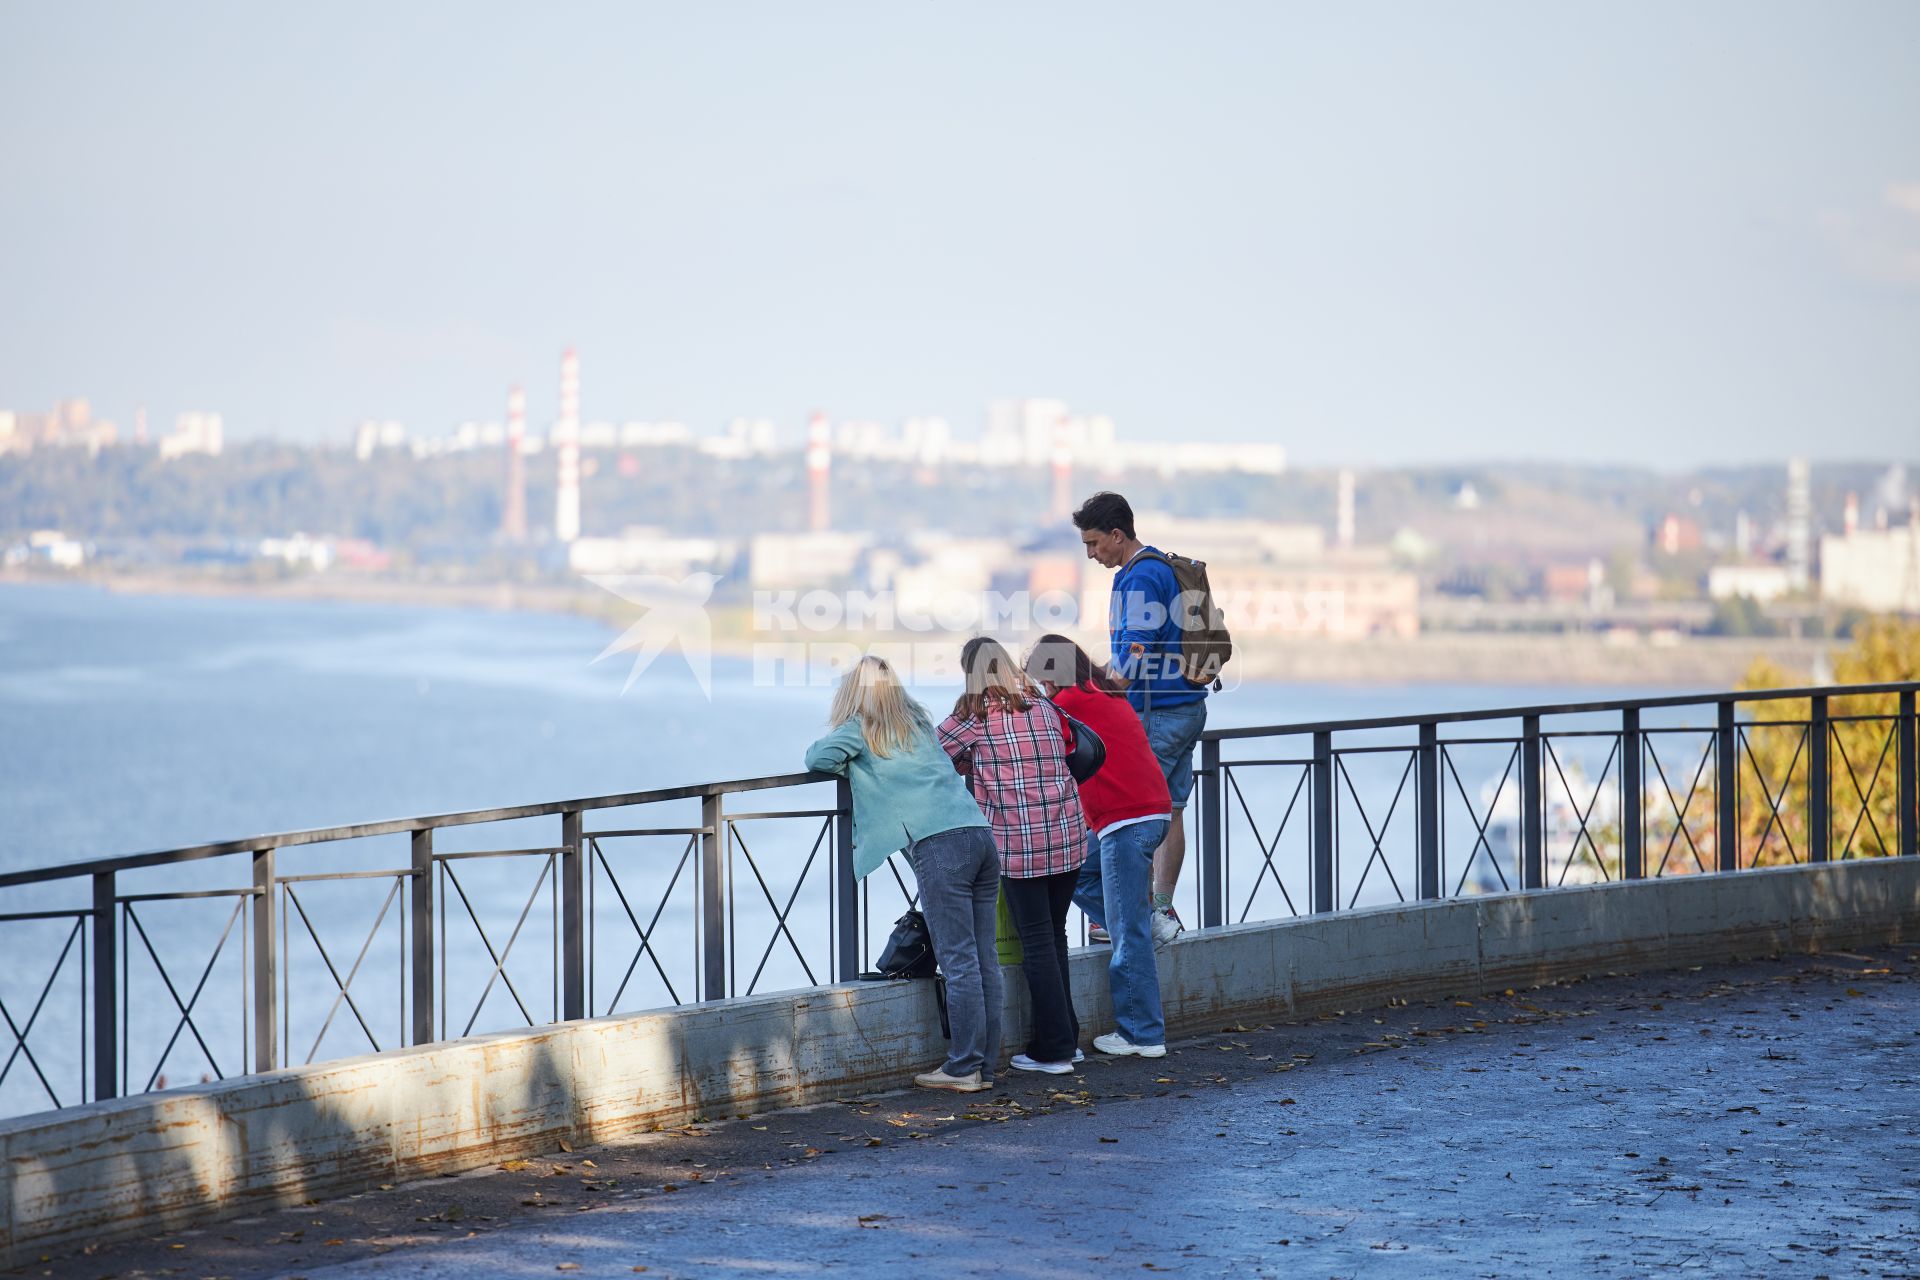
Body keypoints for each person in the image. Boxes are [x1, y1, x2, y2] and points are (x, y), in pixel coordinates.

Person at [803, 655, 1000, 1093]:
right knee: (984, 959)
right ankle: (984, 1064)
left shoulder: (861, 728)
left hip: (940, 845)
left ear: (854, 694)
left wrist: (850, 751)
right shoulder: (919, 725)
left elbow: (816, 757)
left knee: (960, 962)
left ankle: (963, 1067)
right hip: (980, 835)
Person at [936, 636, 1089, 1075]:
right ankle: (1066, 1038)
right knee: (1054, 935)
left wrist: (969, 765)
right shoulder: (1040, 704)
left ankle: (1054, 1051)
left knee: (1038, 942)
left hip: (1021, 846)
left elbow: (932, 755)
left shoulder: (974, 713)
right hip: (1067, 835)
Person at [1072, 490, 1209, 946]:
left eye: (1094, 543)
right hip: (1186, 708)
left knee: (1132, 813)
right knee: (1170, 809)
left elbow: (1134, 649)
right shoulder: (1157, 567)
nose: (1091, 554)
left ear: (1117, 534)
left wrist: (1100, 698)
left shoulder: (1140, 578)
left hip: (1158, 714)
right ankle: (1161, 908)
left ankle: (1130, 914)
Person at [1025, 633, 1170, 1057]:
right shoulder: (1100, 689)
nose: (1043, 690)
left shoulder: (1071, 702)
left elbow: (1030, 727)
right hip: (1146, 814)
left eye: (1043, 681)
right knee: (1078, 871)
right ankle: (1146, 922)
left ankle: (1141, 1035)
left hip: (1126, 820)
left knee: (1127, 934)